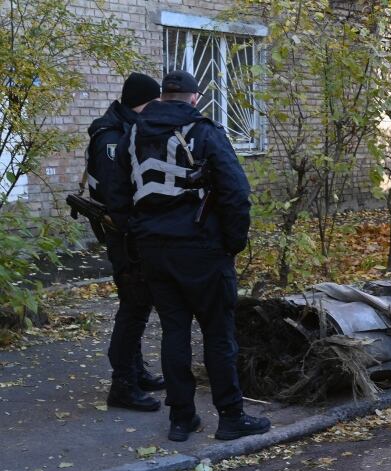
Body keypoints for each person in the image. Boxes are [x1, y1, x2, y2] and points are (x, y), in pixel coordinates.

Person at [107, 70, 270, 442]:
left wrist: (140, 230)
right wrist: (232, 243)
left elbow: (116, 197)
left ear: (163, 97)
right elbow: (236, 193)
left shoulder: (133, 134)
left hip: (153, 253)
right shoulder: (205, 132)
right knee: (217, 335)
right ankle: (231, 417)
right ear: (194, 97)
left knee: (173, 333)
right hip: (203, 250)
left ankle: (182, 420)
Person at [87, 72, 165, 412]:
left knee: (138, 304)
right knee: (133, 307)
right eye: (155, 102)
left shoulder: (127, 129)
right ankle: (123, 384)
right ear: (144, 102)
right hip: (125, 235)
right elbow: (115, 192)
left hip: (134, 233)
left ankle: (135, 371)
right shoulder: (110, 138)